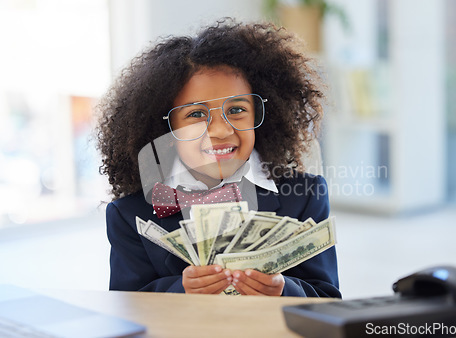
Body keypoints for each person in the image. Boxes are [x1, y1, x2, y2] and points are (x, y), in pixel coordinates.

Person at [96, 18, 341, 298]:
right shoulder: (128, 215)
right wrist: (181, 290)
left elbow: (328, 298)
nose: (222, 129)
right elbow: (125, 305)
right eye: (196, 114)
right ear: (166, 128)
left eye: (237, 109)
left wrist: (285, 290)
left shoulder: (306, 196)